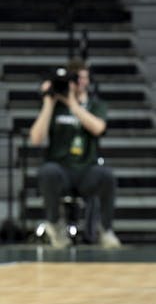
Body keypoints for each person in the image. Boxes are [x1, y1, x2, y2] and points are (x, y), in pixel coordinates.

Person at [28, 58, 120, 249]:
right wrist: (48, 102)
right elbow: (36, 139)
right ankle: (55, 225)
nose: (81, 82)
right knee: (47, 171)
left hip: (86, 169)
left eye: (85, 78)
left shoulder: (95, 105)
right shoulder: (55, 107)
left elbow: (98, 128)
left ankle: (106, 229)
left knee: (107, 175)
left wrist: (73, 104)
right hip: (61, 170)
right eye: (77, 78)